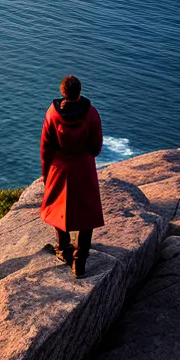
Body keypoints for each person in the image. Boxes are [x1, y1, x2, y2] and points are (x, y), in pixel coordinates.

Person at [40, 74, 105, 278]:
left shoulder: (52, 113)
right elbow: (96, 147)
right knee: (87, 213)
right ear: (79, 91)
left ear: (62, 92)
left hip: (59, 167)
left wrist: (46, 174)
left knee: (58, 209)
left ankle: (64, 248)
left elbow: (46, 147)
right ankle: (80, 262)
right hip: (83, 166)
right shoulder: (91, 113)